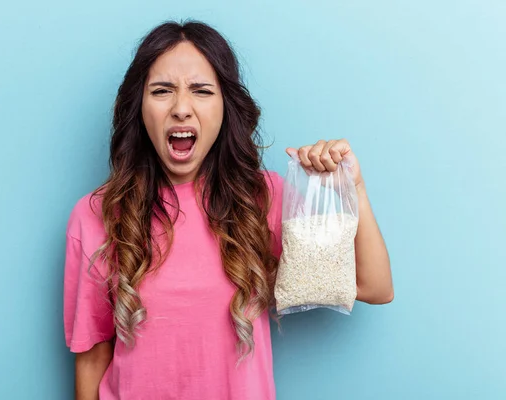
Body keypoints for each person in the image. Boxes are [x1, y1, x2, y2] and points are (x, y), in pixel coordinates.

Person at [63, 20, 393, 400]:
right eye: (161, 91)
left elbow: (376, 287)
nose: (181, 108)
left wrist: (354, 189)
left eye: (202, 91)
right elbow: (91, 354)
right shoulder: (96, 214)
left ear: (225, 108)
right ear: (139, 106)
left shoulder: (262, 199)